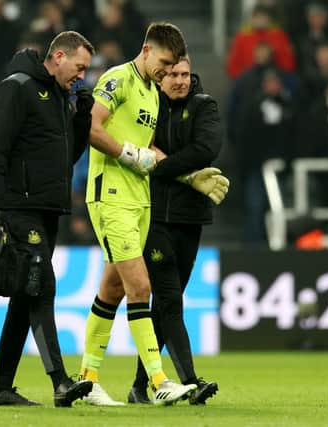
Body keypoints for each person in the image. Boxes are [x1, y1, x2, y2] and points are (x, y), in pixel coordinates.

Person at [79, 22, 227, 406]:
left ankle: (87, 378)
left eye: (175, 66)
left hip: (140, 198)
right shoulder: (118, 79)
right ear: (146, 50)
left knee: (111, 290)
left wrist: (192, 177)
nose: (167, 71)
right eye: (164, 63)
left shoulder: (150, 92)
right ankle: (159, 381)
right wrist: (126, 153)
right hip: (111, 196)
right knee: (141, 287)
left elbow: (151, 153)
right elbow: (90, 128)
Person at [0, 31, 95, 407]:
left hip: (47, 209)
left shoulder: (62, 97)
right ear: (58, 56)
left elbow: (67, 158)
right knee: (42, 285)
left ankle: (1, 389)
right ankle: (60, 382)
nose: (82, 75)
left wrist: (83, 118)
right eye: (79, 67)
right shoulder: (17, 87)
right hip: (18, 207)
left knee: (24, 292)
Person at [125, 56, 222, 405]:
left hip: (190, 219)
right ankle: (190, 381)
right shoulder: (146, 104)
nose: (180, 80)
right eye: (173, 75)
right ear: (161, 76)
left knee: (165, 306)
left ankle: (140, 386)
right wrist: (180, 169)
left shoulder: (204, 106)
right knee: (169, 299)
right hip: (151, 216)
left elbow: (205, 150)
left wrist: (161, 163)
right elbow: (133, 148)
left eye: (185, 74)